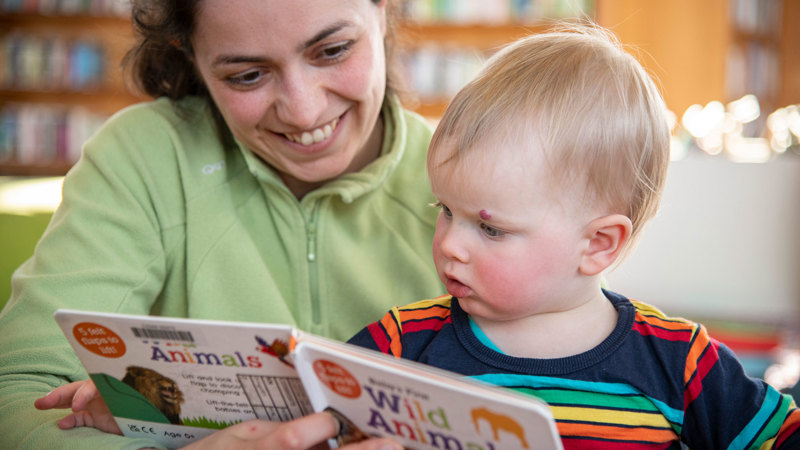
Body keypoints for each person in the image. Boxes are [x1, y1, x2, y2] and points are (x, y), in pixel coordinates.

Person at [0, 0, 442, 448]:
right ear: (188, 52)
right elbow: (20, 390)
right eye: (248, 75)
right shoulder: (145, 157)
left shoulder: (460, 179)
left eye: (333, 51)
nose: (303, 112)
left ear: (384, 11)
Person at [348, 24, 800, 448]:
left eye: (491, 228)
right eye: (445, 210)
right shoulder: (401, 344)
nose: (448, 244)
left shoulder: (682, 364)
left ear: (598, 244)